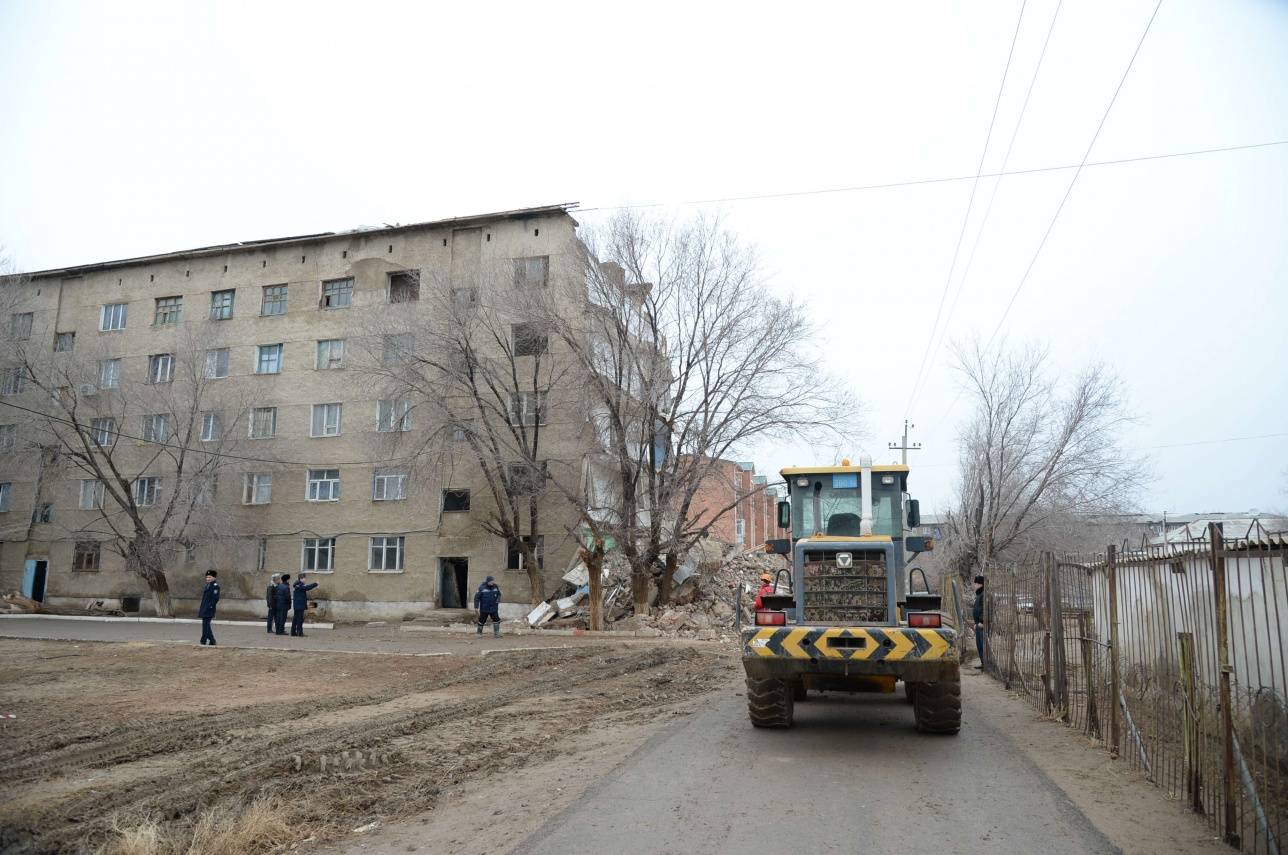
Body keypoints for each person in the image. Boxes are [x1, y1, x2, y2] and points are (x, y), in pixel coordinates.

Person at [199, 570, 220, 646]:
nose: (208, 578)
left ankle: (203, 640)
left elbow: (215, 598)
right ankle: (212, 640)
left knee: (206, 625)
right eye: (207, 577)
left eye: (210, 577)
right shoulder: (208, 585)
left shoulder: (215, 586)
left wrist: (210, 606)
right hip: (204, 608)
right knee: (206, 625)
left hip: (209, 609)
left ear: (214, 577)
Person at [972, 575, 987, 669]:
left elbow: (985, 609)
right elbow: (978, 609)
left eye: (976, 583)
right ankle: (983, 663)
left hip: (982, 625)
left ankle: (985, 664)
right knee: (979, 645)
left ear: (980, 584)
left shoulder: (984, 595)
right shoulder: (979, 595)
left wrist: (982, 621)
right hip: (978, 624)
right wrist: (976, 623)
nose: (974, 585)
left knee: (982, 645)